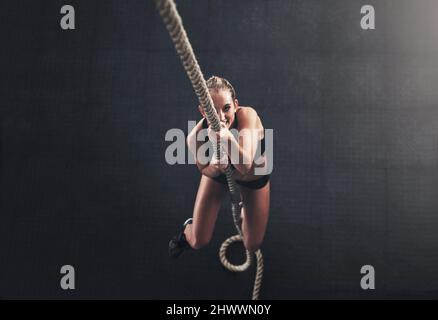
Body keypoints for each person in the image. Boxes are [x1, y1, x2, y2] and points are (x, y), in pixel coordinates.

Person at [169, 76, 270, 258]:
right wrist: (215, 168)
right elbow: (203, 169)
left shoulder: (248, 116)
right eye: (213, 112)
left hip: (253, 177)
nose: (221, 117)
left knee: (252, 243)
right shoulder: (194, 137)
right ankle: (187, 228)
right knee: (198, 240)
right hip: (221, 175)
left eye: (226, 108)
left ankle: (245, 212)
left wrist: (226, 138)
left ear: (235, 105)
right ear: (203, 111)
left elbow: (245, 166)